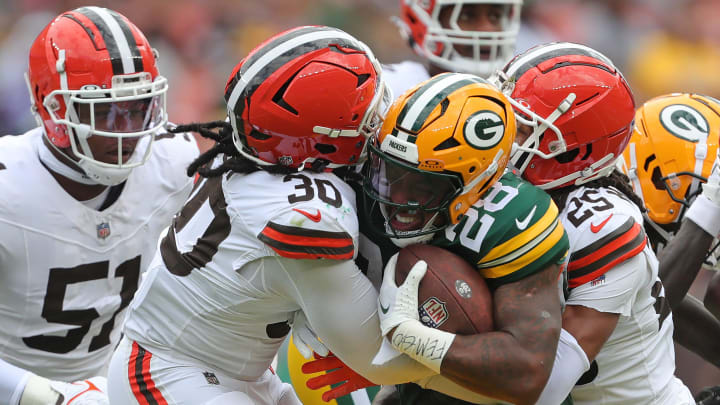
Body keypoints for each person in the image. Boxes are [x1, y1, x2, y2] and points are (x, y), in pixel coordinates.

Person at [105, 26, 498, 405]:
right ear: (321, 139)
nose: (376, 119)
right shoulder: (303, 214)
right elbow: (377, 358)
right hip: (171, 370)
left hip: (242, 371)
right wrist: (491, 380)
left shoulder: (259, 151)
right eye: (362, 113)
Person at [0, 6, 199, 405]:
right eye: (105, 111)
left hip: (115, 384)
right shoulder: (9, 188)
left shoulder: (174, 161)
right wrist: (40, 394)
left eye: (138, 107)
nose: (129, 131)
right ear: (54, 108)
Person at [491, 42, 694, 404]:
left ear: (572, 150)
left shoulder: (600, 224)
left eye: (523, 129)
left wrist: (428, 349)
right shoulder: (514, 193)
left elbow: (540, 389)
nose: (501, 136)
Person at [619, 93, 720, 367]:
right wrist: (710, 204)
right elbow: (641, 316)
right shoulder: (607, 225)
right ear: (658, 179)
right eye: (705, 189)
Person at [384, 0, 523, 97]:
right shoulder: (389, 91)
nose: (488, 29)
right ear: (425, 20)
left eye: (495, 16)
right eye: (466, 16)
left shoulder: (519, 99)